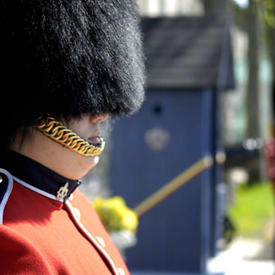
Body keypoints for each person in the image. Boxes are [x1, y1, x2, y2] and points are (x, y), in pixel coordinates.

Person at [0, 0, 144, 274]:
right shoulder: (8, 236)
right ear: (34, 103)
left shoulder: (80, 206)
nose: (101, 114)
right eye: (82, 98)